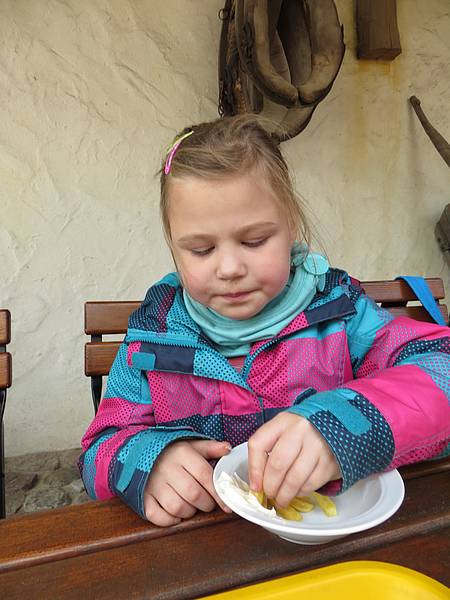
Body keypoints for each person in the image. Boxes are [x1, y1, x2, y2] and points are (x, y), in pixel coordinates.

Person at [79, 115, 450, 526]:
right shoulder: (153, 340)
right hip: (206, 546)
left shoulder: (339, 313)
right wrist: (149, 462)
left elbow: (442, 369)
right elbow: (98, 452)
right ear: (172, 245)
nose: (230, 268)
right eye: (201, 250)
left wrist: (342, 426)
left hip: (337, 541)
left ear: (291, 225)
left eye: (254, 241)